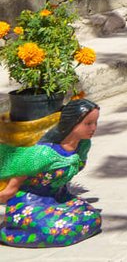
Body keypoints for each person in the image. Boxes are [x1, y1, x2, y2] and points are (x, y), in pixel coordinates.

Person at [0, 99, 102, 248]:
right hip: (29, 201)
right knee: (60, 230)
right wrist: (8, 192)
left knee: (92, 218)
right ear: (72, 123)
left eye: (95, 123)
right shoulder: (45, 153)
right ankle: (9, 232)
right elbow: (18, 176)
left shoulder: (83, 145)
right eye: (88, 124)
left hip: (58, 197)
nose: (93, 128)